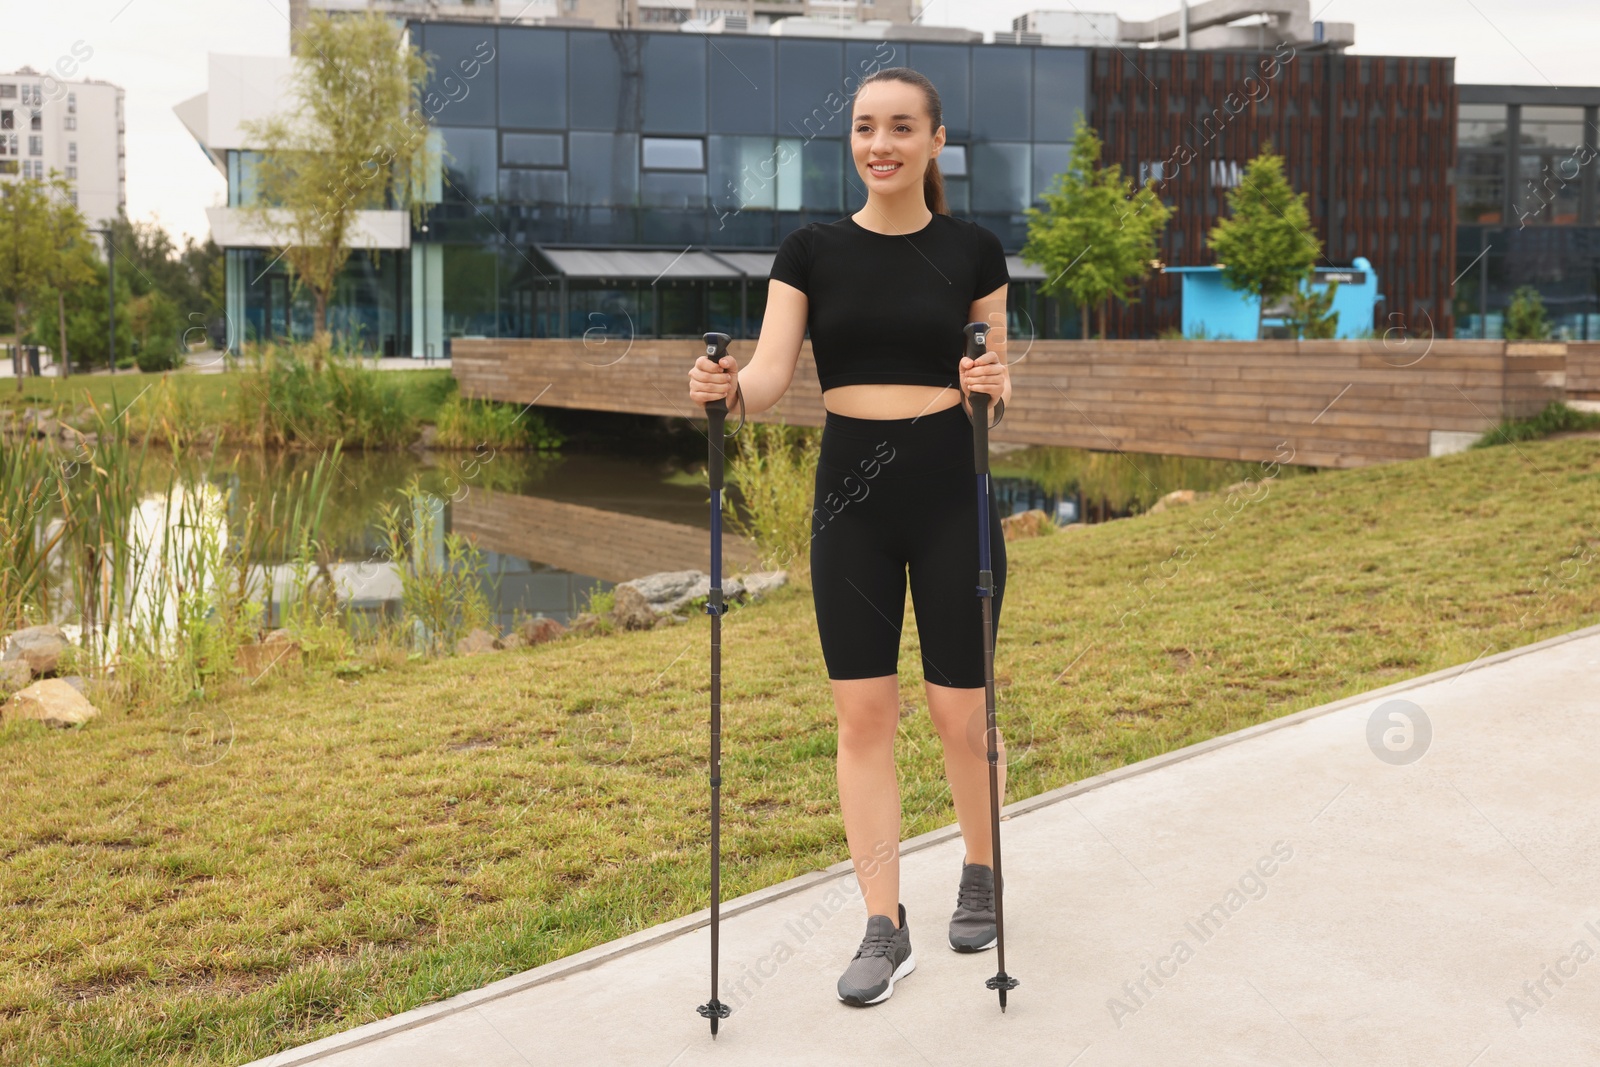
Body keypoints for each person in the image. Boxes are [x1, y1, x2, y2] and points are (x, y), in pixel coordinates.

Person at [687, 66, 1012, 1008]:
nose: (881, 143)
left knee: (961, 713)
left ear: (935, 141)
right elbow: (767, 379)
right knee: (863, 716)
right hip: (852, 509)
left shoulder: (974, 250)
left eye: (902, 127)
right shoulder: (810, 252)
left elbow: (996, 379)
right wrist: (721, 389)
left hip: (954, 491)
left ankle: (981, 869)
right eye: (867, 127)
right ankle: (884, 921)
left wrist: (993, 385)